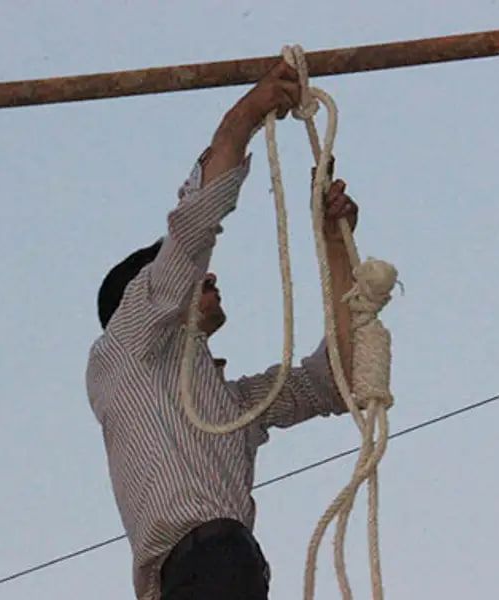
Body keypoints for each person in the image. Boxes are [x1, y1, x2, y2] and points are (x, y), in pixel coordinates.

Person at [86, 60, 360, 600]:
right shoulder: (123, 348)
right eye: (180, 275)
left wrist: (333, 243)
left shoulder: (229, 407)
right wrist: (245, 116)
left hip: (230, 569)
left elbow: (339, 378)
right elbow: (191, 232)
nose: (206, 274)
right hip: (199, 571)